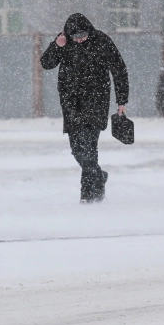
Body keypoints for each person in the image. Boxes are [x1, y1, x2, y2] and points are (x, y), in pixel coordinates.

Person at [40, 13, 129, 203]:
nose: (80, 40)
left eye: (83, 35)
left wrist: (122, 101)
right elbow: (46, 64)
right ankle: (98, 175)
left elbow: (119, 69)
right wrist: (57, 46)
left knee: (89, 146)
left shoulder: (102, 41)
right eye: (76, 37)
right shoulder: (63, 41)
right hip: (71, 102)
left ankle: (89, 197)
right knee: (77, 149)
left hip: (96, 100)